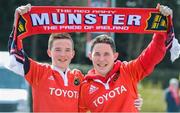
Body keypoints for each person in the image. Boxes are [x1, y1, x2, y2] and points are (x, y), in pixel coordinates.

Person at [6, 4, 143, 112]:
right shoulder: (39, 72)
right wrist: (18, 21)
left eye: (67, 50)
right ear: (49, 52)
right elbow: (15, 57)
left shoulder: (79, 78)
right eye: (58, 50)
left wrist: (132, 99)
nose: (62, 54)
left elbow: (100, 95)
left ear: (73, 54)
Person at [78, 4, 173, 112]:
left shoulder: (127, 71)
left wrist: (162, 23)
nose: (101, 59)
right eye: (97, 54)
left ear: (115, 56)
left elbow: (153, 54)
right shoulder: (85, 87)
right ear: (90, 56)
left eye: (106, 54)